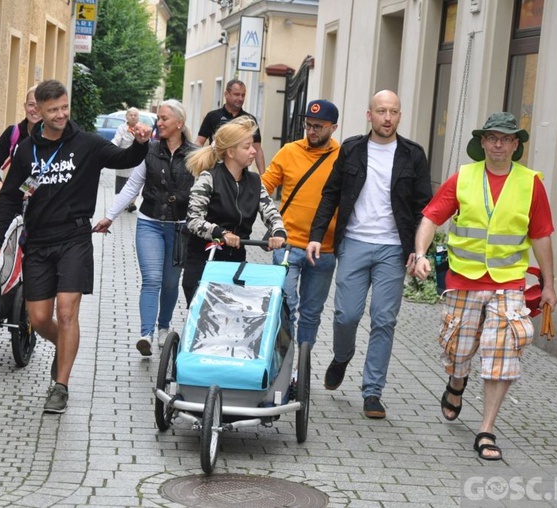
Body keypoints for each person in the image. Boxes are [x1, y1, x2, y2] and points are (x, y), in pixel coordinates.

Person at [0, 80, 152, 414]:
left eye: (64, 107)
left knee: (67, 310)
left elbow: (123, 158)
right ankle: (65, 347)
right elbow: (10, 199)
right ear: (39, 112)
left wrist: (140, 144)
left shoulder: (86, 143)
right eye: (53, 110)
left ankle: (60, 386)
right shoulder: (27, 151)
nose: (61, 114)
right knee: (39, 316)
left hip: (75, 238)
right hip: (38, 241)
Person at [413, 112, 557, 460]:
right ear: (482, 142)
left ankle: (486, 429)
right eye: (492, 137)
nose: (497, 144)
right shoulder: (463, 178)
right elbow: (431, 217)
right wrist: (420, 253)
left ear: (515, 144)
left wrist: (549, 284)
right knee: (458, 349)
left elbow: (540, 235)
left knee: (503, 351)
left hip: (508, 283)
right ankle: (457, 381)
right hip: (464, 278)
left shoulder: (530, 183)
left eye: (505, 139)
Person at [306, 90, 432, 419]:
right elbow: (330, 194)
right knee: (346, 315)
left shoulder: (413, 155)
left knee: (384, 320)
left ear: (399, 116)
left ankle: (373, 391)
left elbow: (424, 209)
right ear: (369, 115)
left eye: (393, 111)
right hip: (354, 243)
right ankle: (342, 355)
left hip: (394, 249)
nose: (387, 117)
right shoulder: (351, 149)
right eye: (381, 111)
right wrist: (317, 236)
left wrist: (419, 252)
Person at [93, 100, 196, 356]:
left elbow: (203, 191)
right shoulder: (149, 150)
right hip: (149, 223)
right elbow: (131, 186)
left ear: (179, 124)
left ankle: (163, 327)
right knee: (152, 279)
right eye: (158, 118)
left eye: (164, 119)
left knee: (171, 283)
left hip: (181, 228)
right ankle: (146, 334)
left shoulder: (195, 155)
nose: (158, 123)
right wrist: (110, 216)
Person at [261, 99, 341, 349]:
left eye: (319, 126)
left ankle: (300, 369)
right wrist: (271, 221)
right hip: (287, 245)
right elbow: (263, 187)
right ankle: (285, 361)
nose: (312, 131)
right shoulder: (289, 151)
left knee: (311, 313)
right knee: (285, 306)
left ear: (333, 127)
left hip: (324, 249)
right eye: (308, 125)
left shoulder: (343, 157)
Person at [183, 116, 286, 306]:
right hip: (204, 259)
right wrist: (221, 233)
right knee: (203, 317)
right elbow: (194, 220)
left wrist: (278, 232)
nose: (254, 151)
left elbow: (271, 212)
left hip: (234, 261)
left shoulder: (255, 182)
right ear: (230, 152)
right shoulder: (209, 178)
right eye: (247, 147)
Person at [196, 79, 266, 174]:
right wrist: (198, 165)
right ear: (226, 94)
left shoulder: (249, 120)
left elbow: (257, 150)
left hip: (241, 173)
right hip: (215, 170)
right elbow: (199, 142)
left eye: (243, 95)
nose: (240, 98)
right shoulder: (212, 116)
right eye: (236, 94)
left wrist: (263, 177)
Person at [0, 86, 41, 194]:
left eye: (39, 106)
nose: (35, 109)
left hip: (40, 203)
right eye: (31, 105)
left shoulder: (52, 136)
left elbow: (46, 170)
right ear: (25, 106)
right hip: (13, 199)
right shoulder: (13, 132)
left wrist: (26, 190)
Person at [111, 107, 142, 213]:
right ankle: (123, 203)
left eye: (135, 115)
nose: (133, 117)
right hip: (124, 156)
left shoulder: (141, 128)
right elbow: (117, 140)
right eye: (131, 115)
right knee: (122, 181)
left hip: (137, 158)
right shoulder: (122, 128)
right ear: (127, 117)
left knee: (136, 180)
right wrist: (111, 149)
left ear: (138, 117)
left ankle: (132, 203)